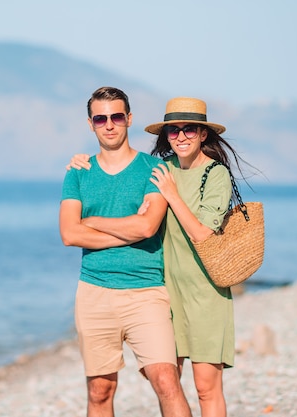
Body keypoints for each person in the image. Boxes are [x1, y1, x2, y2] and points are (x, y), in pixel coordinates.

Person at [70, 97, 251, 417]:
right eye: (174, 131)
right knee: (172, 383)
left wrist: (170, 195)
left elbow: (201, 234)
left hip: (205, 291)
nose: (181, 136)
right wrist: (80, 161)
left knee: (206, 387)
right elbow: (127, 200)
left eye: (190, 129)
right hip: (168, 290)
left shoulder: (215, 173)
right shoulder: (161, 169)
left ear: (203, 134)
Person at [59, 86, 192, 417]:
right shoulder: (78, 172)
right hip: (94, 293)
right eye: (100, 118)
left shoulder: (155, 169)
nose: (109, 124)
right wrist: (129, 228)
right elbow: (68, 233)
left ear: (129, 119)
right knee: (100, 390)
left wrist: (93, 221)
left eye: (116, 116)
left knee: (166, 381)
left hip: (146, 292)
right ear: (90, 124)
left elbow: (148, 228)